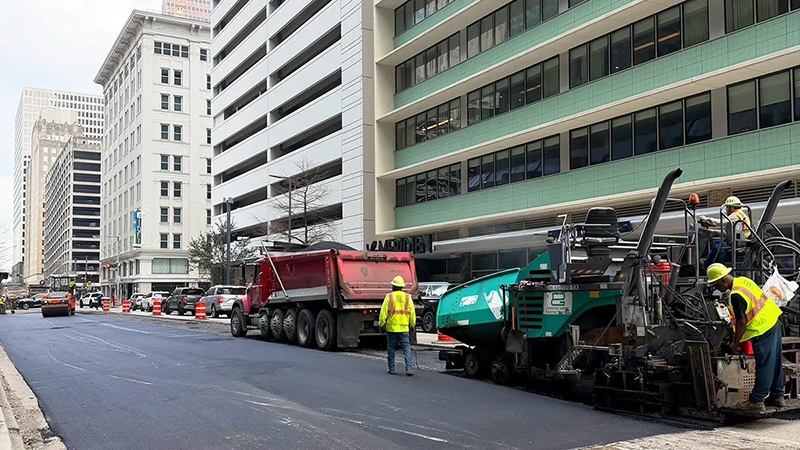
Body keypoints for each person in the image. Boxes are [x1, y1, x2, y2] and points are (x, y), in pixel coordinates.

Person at [707, 263, 785, 410]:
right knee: (775, 363)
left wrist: (735, 343)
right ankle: (777, 396)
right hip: (773, 320)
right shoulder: (743, 280)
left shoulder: (735, 295)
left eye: (716, 285)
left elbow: (742, 322)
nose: (716, 289)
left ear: (723, 280)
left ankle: (756, 401)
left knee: (764, 366)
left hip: (762, 329)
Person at [379, 276, 416, 376]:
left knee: (391, 348)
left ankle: (392, 369)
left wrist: (381, 324)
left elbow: (383, 312)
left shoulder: (389, 297)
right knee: (406, 349)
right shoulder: (408, 297)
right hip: (404, 328)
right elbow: (412, 312)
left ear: (393, 286)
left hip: (392, 328)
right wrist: (412, 324)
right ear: (402, 287)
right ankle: (409, 368)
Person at [701, 196, 752, 267]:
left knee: (717, 245)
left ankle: (710, 264)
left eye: (727, 207)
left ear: (732, 208)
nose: (726, 210)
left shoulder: (735, 215)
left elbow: (721, 222)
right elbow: (728, 233)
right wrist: (714, 231)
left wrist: (706, 219)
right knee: (719, 243)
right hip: (740, 239)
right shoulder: (741, 214)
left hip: (738, 242)